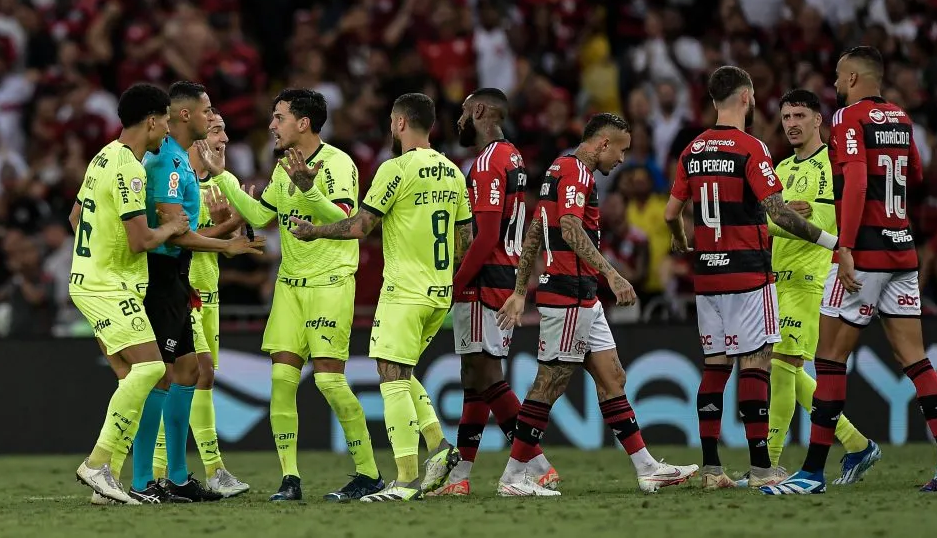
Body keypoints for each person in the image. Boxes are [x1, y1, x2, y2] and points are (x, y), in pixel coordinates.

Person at [763, 47, 937, 494]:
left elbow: (860, 180)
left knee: (827, 362)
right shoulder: (902, 119)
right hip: (902, 250)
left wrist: (844, 246)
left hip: (863, 256)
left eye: (839, 76)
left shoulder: (848, 117)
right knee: (917, 361)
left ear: (851, 77)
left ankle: (810, 474)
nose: (836, 83)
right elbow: (917, 174)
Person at [495, 113, 698, 497]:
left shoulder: (558, 166)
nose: (621, 160)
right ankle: (513, 477)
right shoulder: (577, 173)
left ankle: (647, 468)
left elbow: (538, 229)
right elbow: (570, 227)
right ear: (603, 144)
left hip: (582, 295)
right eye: (620, 150)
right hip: (570, 293)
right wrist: (612, 274)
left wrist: (521, 290)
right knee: (549, 383)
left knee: (612, 377)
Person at [200, 89, 384, 502]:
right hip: (289, 286)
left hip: (329, 283)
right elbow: (263, 215)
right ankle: (290, 479)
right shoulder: (284, 167)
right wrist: (223, 177)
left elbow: (346, 221)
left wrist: (309, 190)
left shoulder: (338, 163)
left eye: (279, 117)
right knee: (281, 383)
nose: (271, 124)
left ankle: (368, 474)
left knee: (330, 381)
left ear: (303, 123)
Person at [290, 93, 473, 502]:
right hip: (438, 293)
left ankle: (406, 480)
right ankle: (440, 449)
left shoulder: (396, 169)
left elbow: (360, 226)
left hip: (404, 291)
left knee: (390, 378)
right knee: (400, 371)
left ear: (401, 123)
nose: (391, 128)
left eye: (393, 121)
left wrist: (313, 230)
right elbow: (465, 242)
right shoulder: (453, 172)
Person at [664, 66, 838, 490]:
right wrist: (833, 242)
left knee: (714, 368)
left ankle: (710, 468)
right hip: (748, 273)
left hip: (707, 276)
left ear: (712, 99)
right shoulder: (751, 148)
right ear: (747, 98)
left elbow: (671, 213)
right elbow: (777, 212)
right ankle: (762, 468)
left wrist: (681, 241)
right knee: (757, 362)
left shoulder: (692, 149)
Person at [128, 81, 263, 504]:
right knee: (161, 375)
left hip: (178, 278)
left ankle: (180, 477)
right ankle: (142, 480)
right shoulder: (167, 162)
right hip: (162, 276)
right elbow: (175, 232)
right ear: (184, 115)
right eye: (207, 112)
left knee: (187, 371)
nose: (212, 118)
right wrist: (227, 242)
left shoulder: (182, 162)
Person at [431, 88, 558, 496]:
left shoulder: (487, 162)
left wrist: (455, 284)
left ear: (480, 110)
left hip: (487, 277)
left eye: (465, 111)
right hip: (504, 274)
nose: (459, 120)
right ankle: (459, 476)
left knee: (486, 376)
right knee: (474, 378)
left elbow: (485, 237)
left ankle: (535, 463)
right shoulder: (514, 156)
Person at [70, 83, 190, 505]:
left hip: (90, 278)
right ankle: (98, 463)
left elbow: (74, 216)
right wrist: (173, 229)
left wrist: (102, 251)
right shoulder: (130, 170)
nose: (169, 129)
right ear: (153, 120)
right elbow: (141, 241)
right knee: (150, 370)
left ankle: (108, 482)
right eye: (167, 121)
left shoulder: (102, 157)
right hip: (107, 285)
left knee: (131, 377)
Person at [754, 89, 878, 485]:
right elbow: (767, 223)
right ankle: (857, 443)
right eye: (786, 116)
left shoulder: (830, 164)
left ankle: (769, 466)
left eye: (799, 116)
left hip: (812, 280)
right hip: (778, 279)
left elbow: (825, 228)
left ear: (817, 120)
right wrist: (786, 215)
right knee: (786, 367)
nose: (791, 124)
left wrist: (782, 216)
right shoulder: (782, 168)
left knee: (781, 365)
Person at [150, 109, 251, 496]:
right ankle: (213, 469)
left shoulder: (225, 181)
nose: (223, 138)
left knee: (192, 378)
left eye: (224, 129)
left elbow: (242, 232)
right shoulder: (177, 178)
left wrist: (237, 229)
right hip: (183, 288)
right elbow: (182, 234)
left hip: (211, 292)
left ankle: (162, 472)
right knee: (196, 372)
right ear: (196, 137)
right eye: (216, 129)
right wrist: (227, 229)